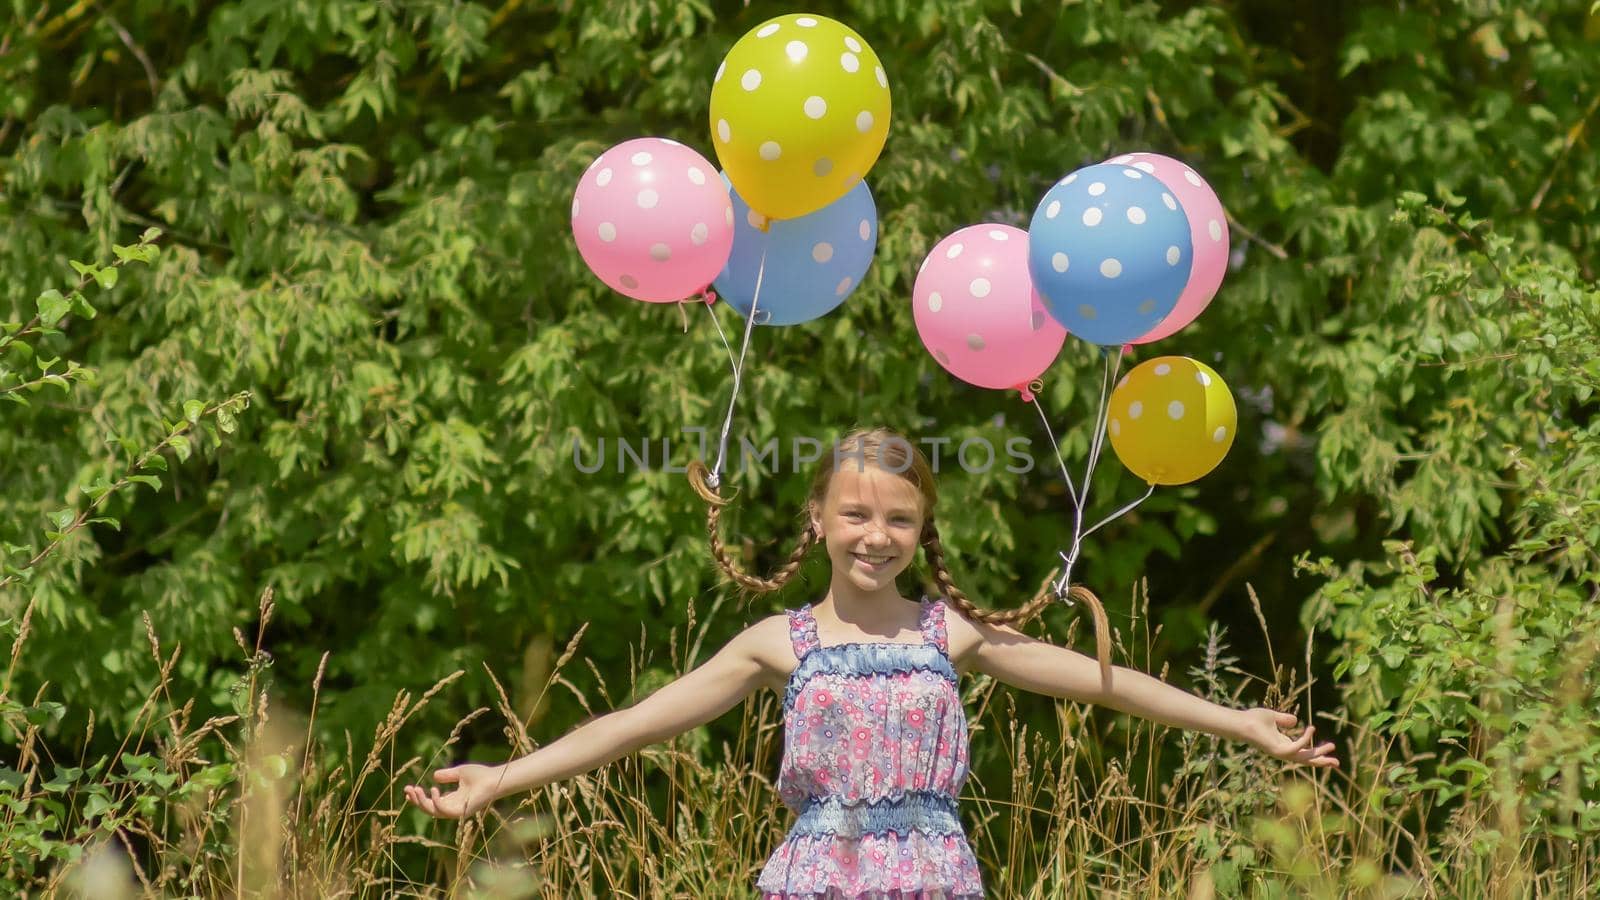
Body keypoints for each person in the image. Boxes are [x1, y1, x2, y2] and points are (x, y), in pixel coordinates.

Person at [405, 428, 1338, 898]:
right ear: (818, 520)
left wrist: (1239, 723)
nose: (876, 536)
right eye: (856, 515)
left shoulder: (949, 635)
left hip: (936, 873)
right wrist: (502, 779)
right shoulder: (779, 643)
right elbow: (632, 724)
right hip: (820, 875)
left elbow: (1108, 683)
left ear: (923, 529)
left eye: (899, 519)